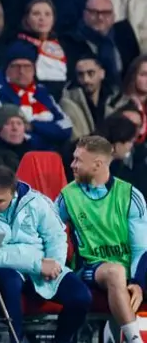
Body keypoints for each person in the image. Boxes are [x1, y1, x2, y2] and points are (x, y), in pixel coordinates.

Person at [0, 166, 92, 343]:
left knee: (81, 297)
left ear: (13, 194)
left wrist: (55, 265)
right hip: (5, 270)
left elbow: (55, 236)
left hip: (43, 266)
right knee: (9, 281)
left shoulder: (36, 201)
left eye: (0, 201)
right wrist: (37, 264)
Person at [56, 135, 147, 343]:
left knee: (120, 272)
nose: (72, 165)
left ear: (97, 164)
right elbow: (49, 234)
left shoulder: (130, 195)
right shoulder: (67, 196)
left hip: (128, 270)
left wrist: (138, 284)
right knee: (115, 272)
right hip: (89, 268)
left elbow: (142, 249)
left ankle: (114, 334)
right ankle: (135, 340)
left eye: (78, 160)